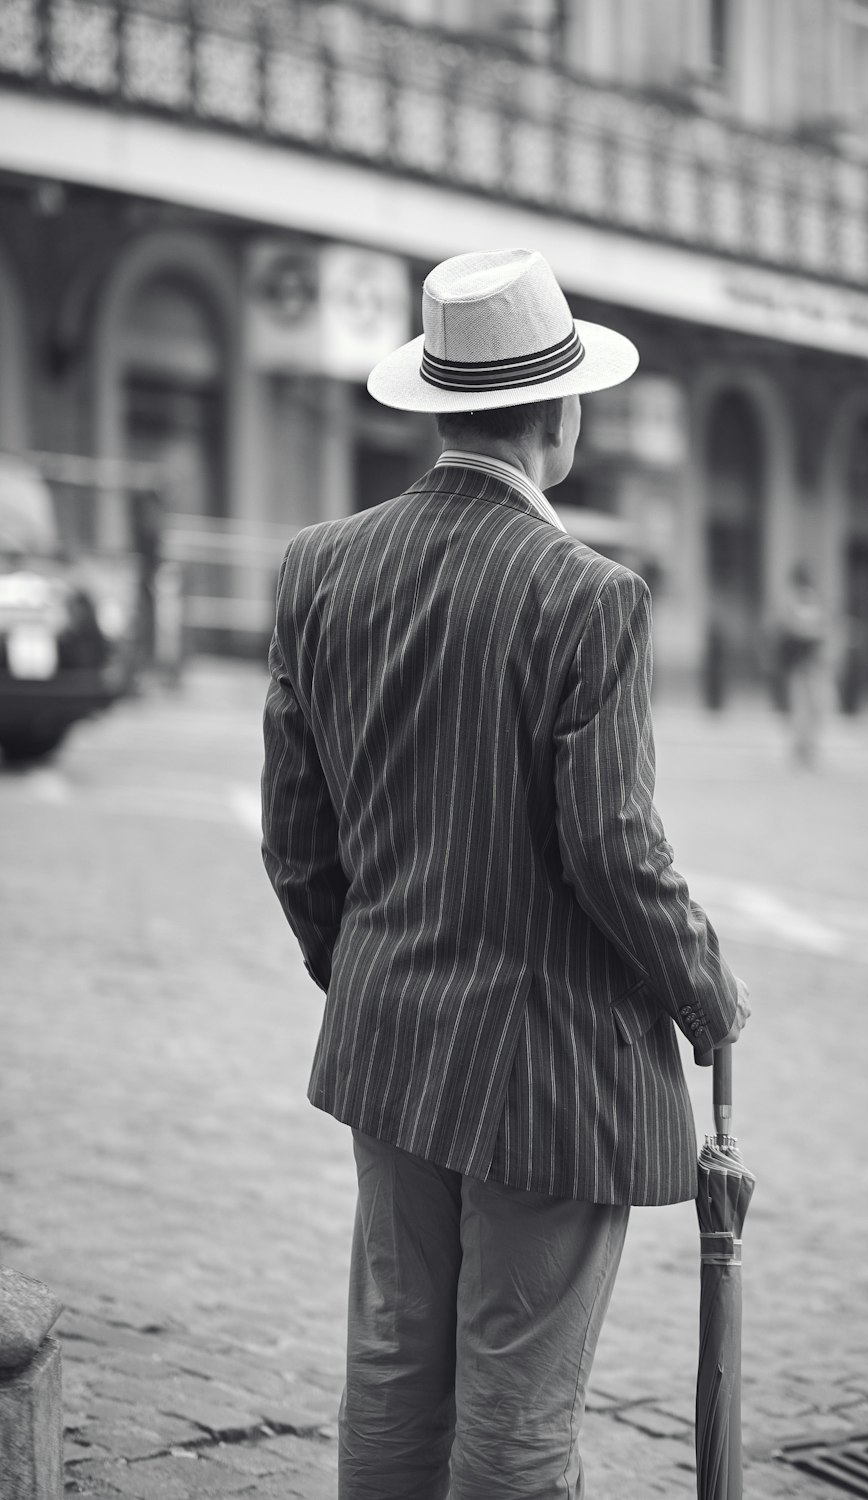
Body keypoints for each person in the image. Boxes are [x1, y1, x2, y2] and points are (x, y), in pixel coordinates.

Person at [260, 248, 750, 1500]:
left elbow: (295, 838)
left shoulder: (318, 568)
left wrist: (366, 966)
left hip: (390, 1044)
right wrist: (704, 992)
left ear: (438, 403)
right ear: (558, 415)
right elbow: (612, 851)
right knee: (518, 1404)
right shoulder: (587, 597)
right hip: (545, 1072)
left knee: (391, 1366)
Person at [777, 562, 827, 766]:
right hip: (804, 664)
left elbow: (798, 628)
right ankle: (803, 749)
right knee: (806, 707)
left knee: (808, 707)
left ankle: (805, 749)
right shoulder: (800, 602)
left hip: (806, 664)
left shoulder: (802, 601)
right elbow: (814, 629)